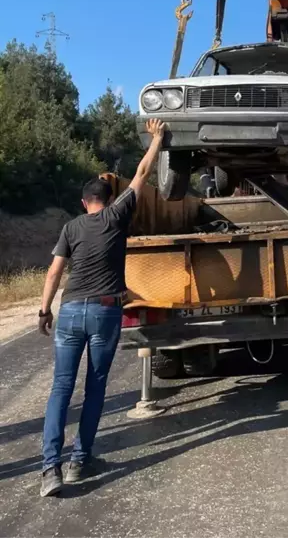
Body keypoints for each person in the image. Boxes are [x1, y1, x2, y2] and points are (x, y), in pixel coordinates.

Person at [38, 118, 166, 498]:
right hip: (105, 312)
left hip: (72, 310)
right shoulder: (117, 216)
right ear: (109, 200)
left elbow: (53, 272)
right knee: (94, 388)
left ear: (83, 202)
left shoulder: (71, 227)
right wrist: (157, 139)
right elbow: (142, 173)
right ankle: (80, 460)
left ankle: (50, 470)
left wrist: (44, 310)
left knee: (61, 387)